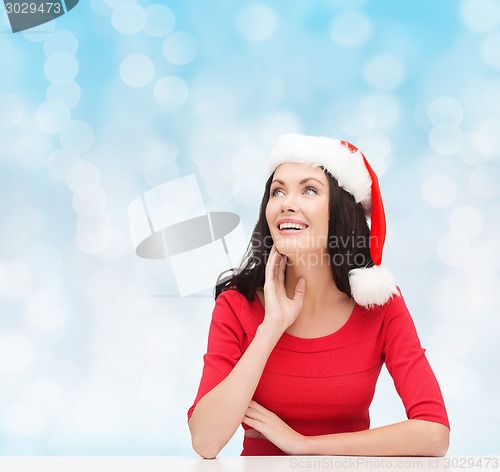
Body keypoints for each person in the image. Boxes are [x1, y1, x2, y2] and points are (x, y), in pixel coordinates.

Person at [187, 133, 450, 458]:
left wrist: (304, 445)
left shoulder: (381, 306)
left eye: (309, 189)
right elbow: (205, 441)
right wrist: (270, 328)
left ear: (341, 211)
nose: (286, 203)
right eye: (277, 190)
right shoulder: (236, 305)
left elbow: (434, 433)